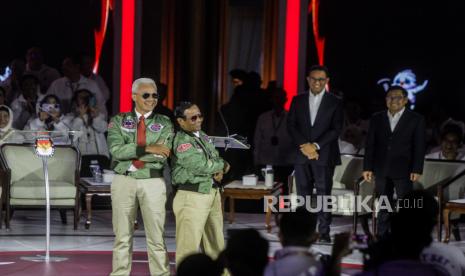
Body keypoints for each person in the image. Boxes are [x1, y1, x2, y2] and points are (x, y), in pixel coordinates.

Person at [107, 78, 173, 276]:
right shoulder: (118, 120)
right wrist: (150, 147)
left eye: (154, 95)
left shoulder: (165, 122)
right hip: (123, 180)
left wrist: (136, 151)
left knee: (156, 236)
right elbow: (116, 150)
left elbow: (162, 153)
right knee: (122, 235)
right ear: (134, 96)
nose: (152, 99)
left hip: (153, 181)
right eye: (146, 95)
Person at [287, 65, 343, 243]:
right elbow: (291, 126)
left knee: (323, 194)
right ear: (308, 80)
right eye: (314, 79)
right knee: (302, 195)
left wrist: (315, 146)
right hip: (302, 153)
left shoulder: (335, 102)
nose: (317, 82)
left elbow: (336, 129)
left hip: (324, 154)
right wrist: (305, 146)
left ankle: (324, 232)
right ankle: (304, 232)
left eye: (321, 79)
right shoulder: (297, 100)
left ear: (326, 81)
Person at [362, 85, 426, 239]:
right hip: (381, 168)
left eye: (398, 97)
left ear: (405, 100)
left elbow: (419, 146)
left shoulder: (416, 119)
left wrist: (417, 169)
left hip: (404, 169)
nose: (393, 100)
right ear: (386, 100)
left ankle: (406, 237)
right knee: (384, 204)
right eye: (390, 97)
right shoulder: (377, 118)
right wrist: (367, 167)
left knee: (406, 205)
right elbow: (370, 144)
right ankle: (382, 236)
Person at [171, 101, 230, 265]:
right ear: (181, 121)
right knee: (188, 248)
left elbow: (215, 156)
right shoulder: (181, 141)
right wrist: (222, 166)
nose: (199, 120)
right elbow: (199, 165)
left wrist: (218, 168)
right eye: (193, 118)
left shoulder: (202, 135)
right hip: (192, 195)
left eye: (200, 116)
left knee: (216, 244)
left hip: (212, 192)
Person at [254, 87, 295, 186]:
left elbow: (295, 140)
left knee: (285, 193)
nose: (278, 100)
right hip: (266, 162)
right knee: (267, 193)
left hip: (286, 162)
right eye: (276, 97)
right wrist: (256, 161)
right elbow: (257, 140)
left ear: (285, 99)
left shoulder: (291, 117)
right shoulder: (263, 118)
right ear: (271, 99)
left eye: (280, 97)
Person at [67, 89, 109, 157]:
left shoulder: (99, 116)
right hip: (81, 156)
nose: (83, 107)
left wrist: (95, 117)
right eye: (80, 103)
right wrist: (80, 118)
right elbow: (72, 136)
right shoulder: (70, 119)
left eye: (85, 103)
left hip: (98, 155)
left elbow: (103, 129)